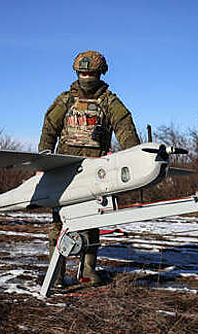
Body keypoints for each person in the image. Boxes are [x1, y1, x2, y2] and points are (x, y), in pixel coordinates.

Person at [38, 50, 141, 288]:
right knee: (58, 223)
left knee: (92, 222)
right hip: (64, 171)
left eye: (90, 73)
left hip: (96, 174)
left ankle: (87, 271)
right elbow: (49, 129)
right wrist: (43, 161)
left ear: (100, 73)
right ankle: (57, 272)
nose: (85, 77)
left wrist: (134, 157)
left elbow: (125, 128)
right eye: (81, 73)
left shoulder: (109, 102)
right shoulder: (64, 100)